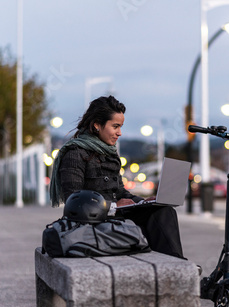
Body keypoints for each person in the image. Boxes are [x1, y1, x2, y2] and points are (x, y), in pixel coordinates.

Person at [49, 95, 185, 258]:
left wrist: (143, 202)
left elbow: (121, 193)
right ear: (97, 125)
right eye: (115, 126)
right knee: (156, 218)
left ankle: (175, 264)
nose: (119, 133)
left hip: (117, 215)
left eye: (121, 127)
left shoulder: (110, 154)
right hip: (94, 222)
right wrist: (112, 206)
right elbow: (73, 200)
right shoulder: (75, 154)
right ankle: (175, 267)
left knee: (163, 210)